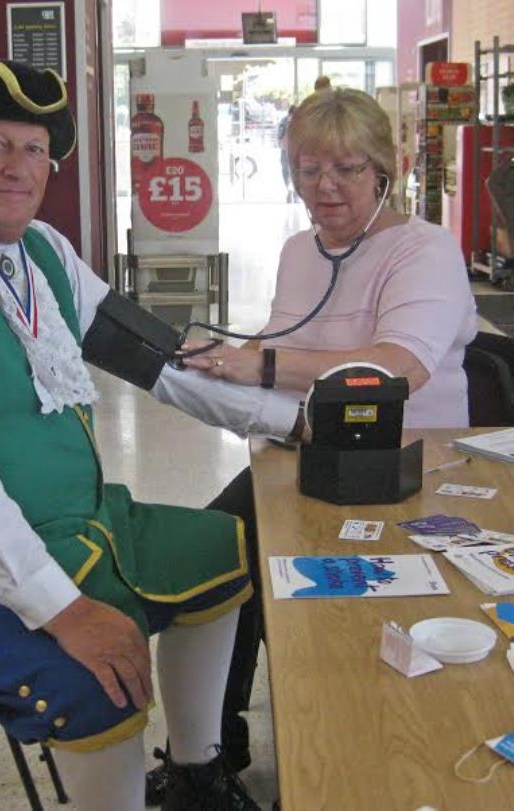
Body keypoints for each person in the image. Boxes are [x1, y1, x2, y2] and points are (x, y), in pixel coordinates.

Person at [0, 59, 305, 811]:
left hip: (59, 527)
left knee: (223, 552)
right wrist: (66, 612)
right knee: (96, 678)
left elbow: (162, 364)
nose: (21, 168)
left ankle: (196, 773)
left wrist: (295, 420)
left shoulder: (39, 249)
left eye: (36, 150)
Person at [147, 86, 478, 803]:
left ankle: (352, 742)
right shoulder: (301, 249)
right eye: (307, 169)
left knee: (320, 598)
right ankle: (208, 752)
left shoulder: (426, 250)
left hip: (410, 460)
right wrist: (217, 363)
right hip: (305, 448)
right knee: (211, 554)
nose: (324, 188)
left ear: (384, 170)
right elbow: (284, 350)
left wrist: (259, 364)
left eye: (347, 169)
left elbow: (399, 365)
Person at [276, 104, 296, 203]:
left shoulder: (285, 120)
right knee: (290, 170)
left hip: (288, 148)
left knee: (287, 170)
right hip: (291, 149)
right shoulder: (286, 121)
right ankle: (291, 191)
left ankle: (291, 190)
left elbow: (279, 134)